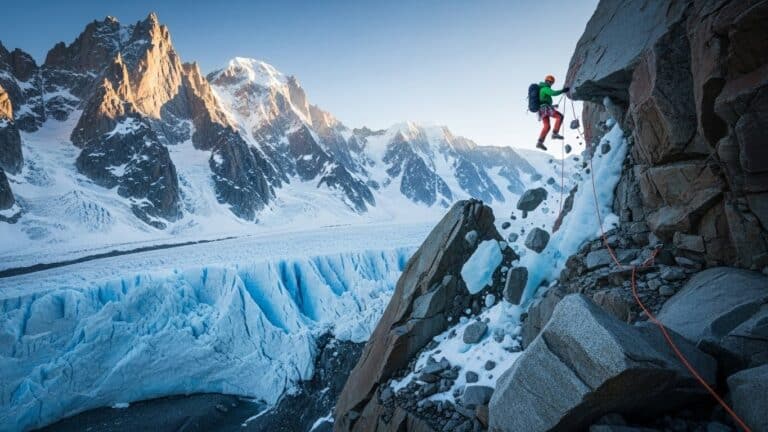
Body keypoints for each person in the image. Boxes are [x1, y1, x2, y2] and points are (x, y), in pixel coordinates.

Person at [536, 75, 570, 151]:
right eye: (550, 81)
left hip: (541, 110)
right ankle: (555, 133)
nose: (551, 83)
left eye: (552, 82)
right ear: (546, 81)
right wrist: (562, 91)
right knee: (560, 116)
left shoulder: (541, 89)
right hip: (545, 108)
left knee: (547, 126)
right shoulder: (545, 88)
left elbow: (543, 100)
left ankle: (539, 142)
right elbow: (553, 93)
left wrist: (553, 106)